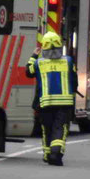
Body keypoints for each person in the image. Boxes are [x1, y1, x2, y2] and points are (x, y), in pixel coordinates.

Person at [24, 29, 74, 166]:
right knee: (60, 128)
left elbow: (28, 72)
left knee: (47, 129)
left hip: (45, 103)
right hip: (65, 103)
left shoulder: (38, 63)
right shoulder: (68, 61)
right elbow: (74, 80)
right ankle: (55, 153)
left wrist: (34, 55)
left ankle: (47, 154)